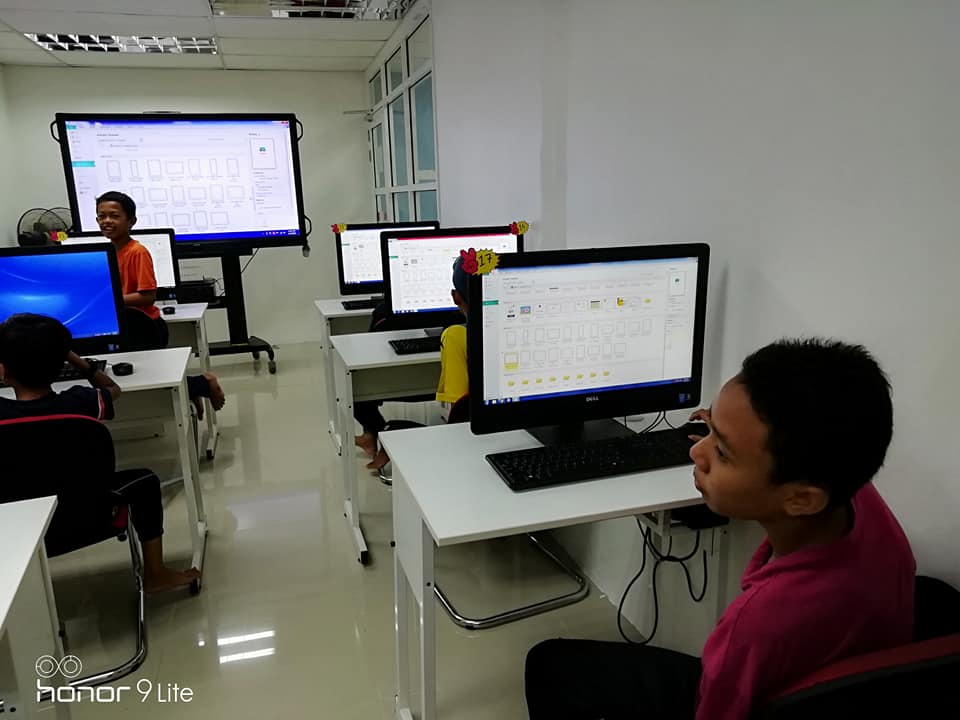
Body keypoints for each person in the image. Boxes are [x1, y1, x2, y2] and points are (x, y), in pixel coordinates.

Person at [524, 338, 915, 720]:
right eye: (708, 425)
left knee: (548, 664)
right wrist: (727, 445)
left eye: (723, 451)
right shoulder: (858, 499)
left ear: (802, 499)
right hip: (824, 688)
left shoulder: (754, 625)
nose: (696, 451)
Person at [0, 313, 201, 593]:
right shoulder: (81, 402)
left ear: (3, 370)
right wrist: (76, 359)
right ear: (59, 364)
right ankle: (155, 573)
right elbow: (112, 388)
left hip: (17, 529)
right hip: (90, 520)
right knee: (145, 482)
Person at [95, 191, 226, 419]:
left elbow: (148, 296)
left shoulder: (137, 252)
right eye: (101, 216)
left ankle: (203, 382)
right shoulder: (109, 251)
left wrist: (110, 300)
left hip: (144, 326)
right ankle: (193, 390)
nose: (107, 221)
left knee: (152, 380)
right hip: (124, 324)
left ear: (131, 221)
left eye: (114, 216)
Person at [355, 256, 472, 468]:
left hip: (469, 446)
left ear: (455, 297)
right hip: (513, 433)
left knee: (361, 391)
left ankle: (379, 436)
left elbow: (459, 414)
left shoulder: (455, 336)